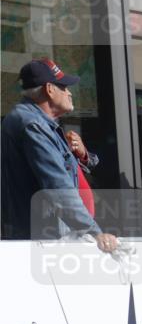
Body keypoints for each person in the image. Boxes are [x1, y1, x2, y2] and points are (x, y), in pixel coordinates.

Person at [1, 58, 117, 252]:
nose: (69, 93)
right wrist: (94, 232)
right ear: (49, 89)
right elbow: (57, 186)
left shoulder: (36, 123)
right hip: (42, 244)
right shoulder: (33, 125)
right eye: (64, 87)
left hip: (44, 239)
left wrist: (82, 155)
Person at [64, 129, 99, 217]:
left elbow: (92, 163)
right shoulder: (39, 129)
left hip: (85, 212)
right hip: (69, 212)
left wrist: (83, 155)